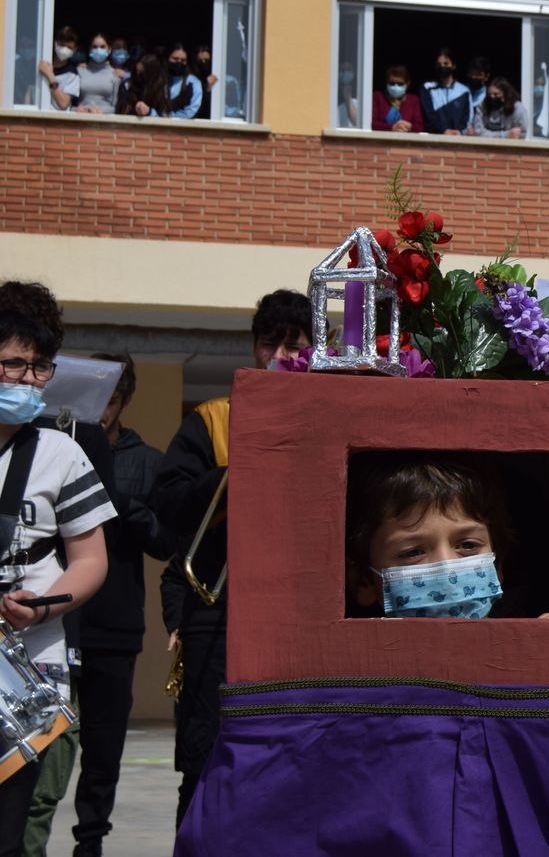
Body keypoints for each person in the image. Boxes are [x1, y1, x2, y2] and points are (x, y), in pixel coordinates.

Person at [151, 290, 312, 828]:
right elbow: (168, 504)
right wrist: (235, 475)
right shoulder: (212, 420)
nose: (282, 356)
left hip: (297, 613)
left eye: (295, 345)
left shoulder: (326, 412)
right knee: (203, 757)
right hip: (217, 610)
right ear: (253, 347)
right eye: (271, 344)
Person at [0, 285, 113, 857]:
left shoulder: (61, 454)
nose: (25, 379)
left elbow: (90, 558)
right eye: (13, 363)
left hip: (30, 669)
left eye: (38, 367)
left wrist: (43, 605)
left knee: (15, 828)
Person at [69, 354, 171, 857]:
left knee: (103, 748)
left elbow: (165, 542)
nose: (101, 410)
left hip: (115, 623)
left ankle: (90, 843)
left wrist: (127, 508)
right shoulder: (53, 448)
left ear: (124, 400)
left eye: (110, 399)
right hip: (55, 622)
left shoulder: (146, 460)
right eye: (95, 399)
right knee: (43, 743)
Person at [344, 453, 549, 621]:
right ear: (362, 582)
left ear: (498, 566)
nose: (448, 566)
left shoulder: (532, 650)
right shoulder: (348, 670)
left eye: (467, 545)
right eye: (412, 552)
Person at [420, 49, 470, 135]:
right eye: (439, 64)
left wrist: (459, 131)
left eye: (446, 63)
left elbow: (467, 117)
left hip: (458, 138)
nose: (442, 67)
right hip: (435, 138)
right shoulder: (427, 88)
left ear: (453, 65)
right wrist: (443, 131)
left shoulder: (464, 91)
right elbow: (428, 116)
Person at [35, 27, 80, 112]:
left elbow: (63, 104)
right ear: (55, 43)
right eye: (62, 45)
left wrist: (50, 76)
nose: (64, 49)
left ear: (74, 50)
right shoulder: (43, 63)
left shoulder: (72, 74)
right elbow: (30, 93)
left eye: (69, 47)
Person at [72, 34, 119, 115]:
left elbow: (116, 107)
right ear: (90, 49)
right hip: (80, 120)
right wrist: (76, 109)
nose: (98, 49)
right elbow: (70, 103)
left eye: (102, 47)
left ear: (109, 49)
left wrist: (102, 111)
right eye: (95, 47)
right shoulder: (79, 71)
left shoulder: (115, 74)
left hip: (105, 122)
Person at [372, 65, 423, 133]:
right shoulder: (377, 97)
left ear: (407, 84)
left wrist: (409, 126)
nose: (396, 86)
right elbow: (371, 123)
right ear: (386, 82)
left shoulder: (414, 100)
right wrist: (392, 127)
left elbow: (419, 126)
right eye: (392, 83)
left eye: (400, 84)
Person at [163, 44, 204, 121]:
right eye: (175, 59)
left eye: (183, 60)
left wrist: (171, 117)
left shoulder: (193, 82)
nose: (179, 62)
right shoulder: (159, 80)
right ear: (167, 58)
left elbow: (191, 110)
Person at [335, 61, 360, 129]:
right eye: (342, 70)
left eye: (348, 69)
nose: (345, 72)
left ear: (354, 73)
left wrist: (348, 97)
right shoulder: (333, 94)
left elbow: (356, 122)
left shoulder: (361, 96)